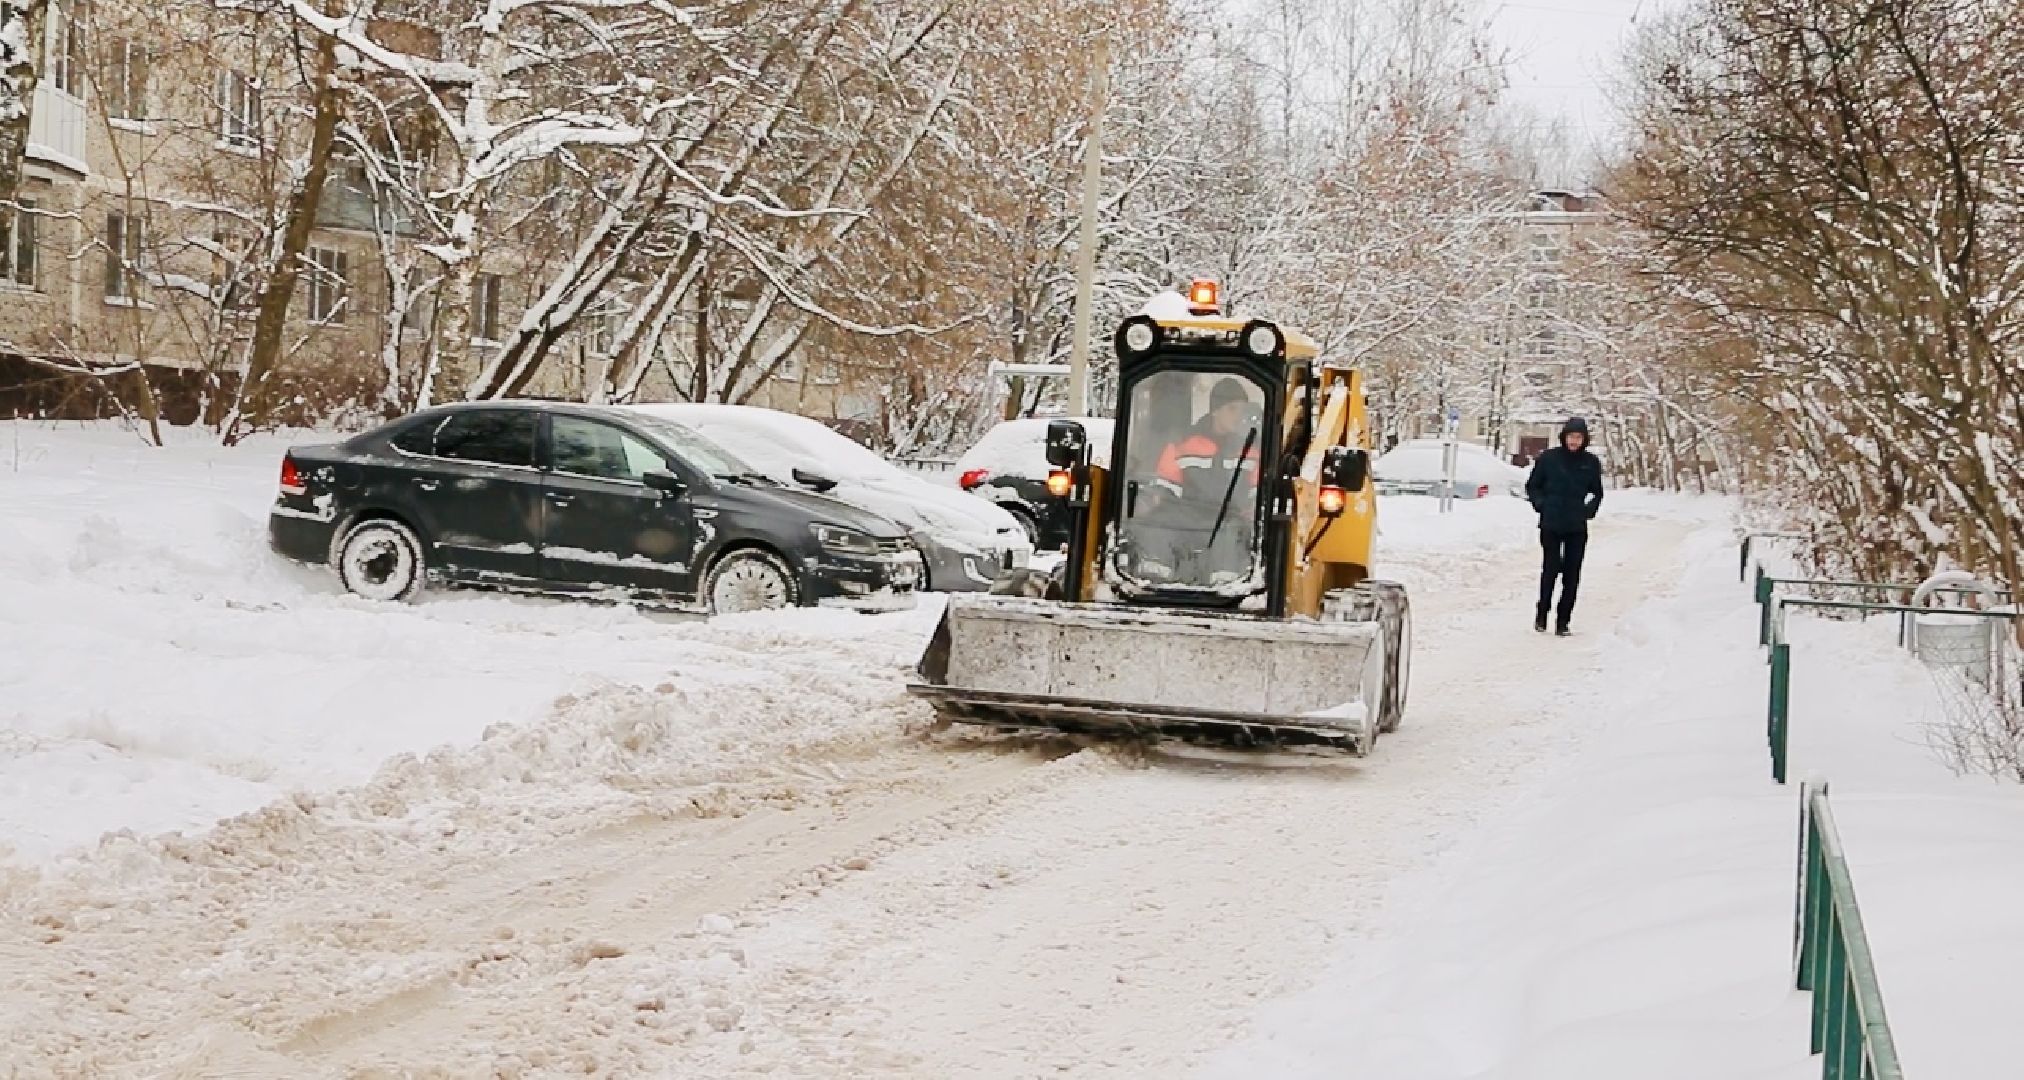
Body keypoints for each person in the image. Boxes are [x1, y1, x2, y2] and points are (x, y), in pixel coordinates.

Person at [1525, 416, 1604, 636]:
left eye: (1578, 437)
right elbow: (1533, 486)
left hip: (1576, 526)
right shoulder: (1549, 459)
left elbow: (1597, 493)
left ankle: (1563, 620)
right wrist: (1541, 504)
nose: (1574, 441)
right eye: (1571, 436)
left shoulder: (1590, 463)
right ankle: (1542, 612)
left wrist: (1587, 510)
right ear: (1564, 437)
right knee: (1550, 569)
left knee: (1572, 573)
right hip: (1551, 523)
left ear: (1584, 439)